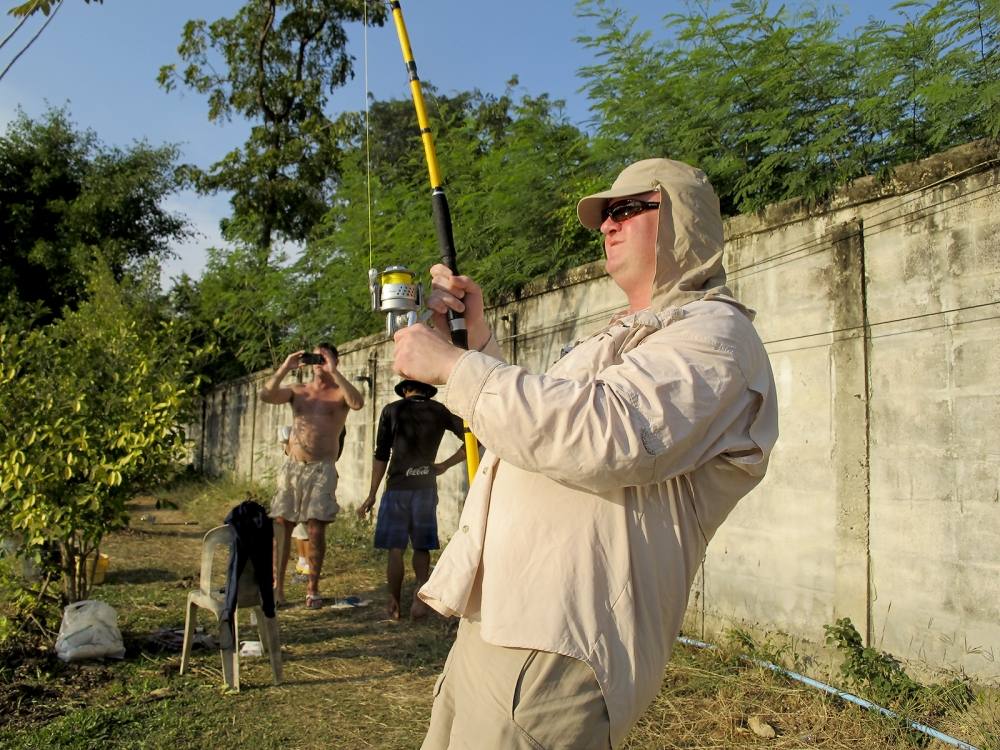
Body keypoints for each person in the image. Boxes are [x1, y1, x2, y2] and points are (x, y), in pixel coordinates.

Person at [392, 159, 779, 748]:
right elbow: (540, 429)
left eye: (626, 209)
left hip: (560, 639)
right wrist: (476, 338)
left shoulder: (716, 336)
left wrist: (452, 366)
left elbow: (608, 434)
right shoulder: (635, 332)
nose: (607, 225)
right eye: (605, 215)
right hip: (502, 617)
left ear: (682, 221)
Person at [259, 343, 364, 609]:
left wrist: (334, 371)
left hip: (322, 468)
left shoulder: (339, 393)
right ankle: (277, 589)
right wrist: (285, 366)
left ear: (334, 361)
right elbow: (266, 395)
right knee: (282, 526)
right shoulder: (299, 391)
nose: (319, 363)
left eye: (324, 358)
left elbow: (358, 402)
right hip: (293, 467)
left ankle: (312, 589)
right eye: (315, 358)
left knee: (316, 529)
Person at [357, 379, 466, 620]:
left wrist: (372, 493)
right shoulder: (439, 411)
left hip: (397, 488)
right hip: (425, 488)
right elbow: (473, 438)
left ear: (406, 390)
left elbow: (381, 455)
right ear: (427, 391)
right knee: (422, 546)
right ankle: (420, 598)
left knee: (395, 550)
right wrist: (444, 465)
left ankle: (394, 601)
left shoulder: (392, 410)